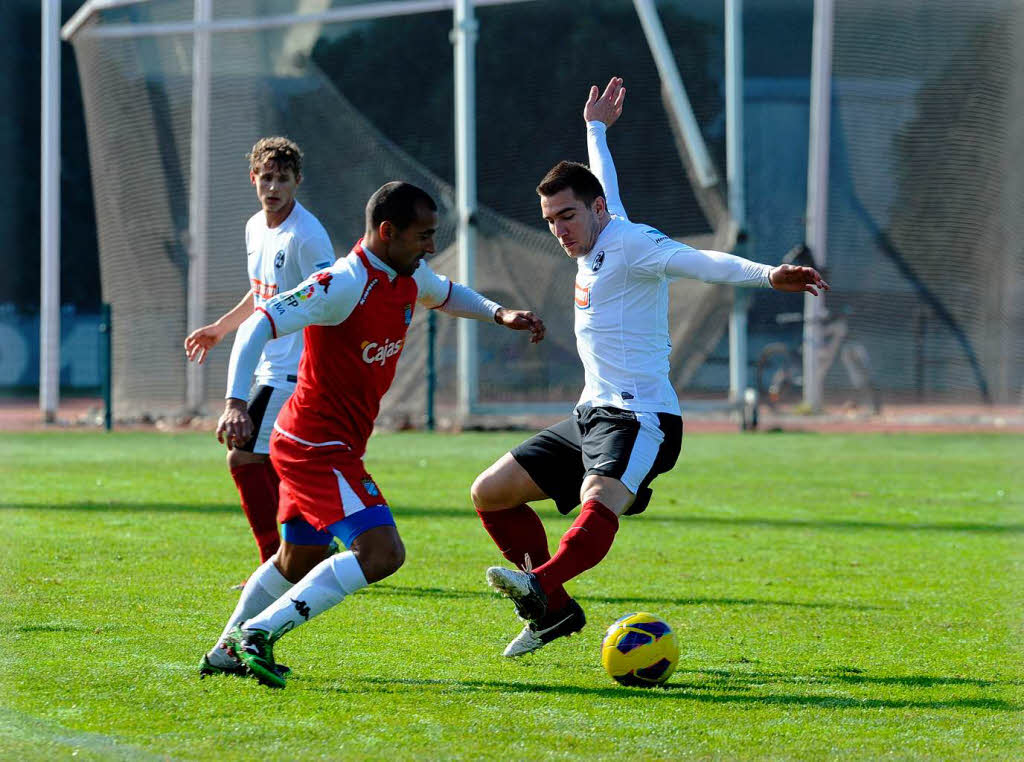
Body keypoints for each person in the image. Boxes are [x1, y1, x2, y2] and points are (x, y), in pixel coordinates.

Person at [472, 77, 829, 657]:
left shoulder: (635, 243)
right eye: (550, 220)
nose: (559, 230)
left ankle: (542, 585)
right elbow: (602, 180)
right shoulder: (597, 232)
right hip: (591, 414)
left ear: (596, 211)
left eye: (567, 216)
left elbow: (700, 261)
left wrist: (768, 275)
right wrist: (594, 130)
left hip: (643, 419)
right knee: (490, 493)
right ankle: (554, 613)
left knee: (598, 499)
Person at [199, 181, 546, 687]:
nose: (430, 246)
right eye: (422, 236)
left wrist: (498, 314)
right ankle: (256, 634)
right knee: (383, 552)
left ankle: (225, 649)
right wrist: (234, 403)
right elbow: (259, 324)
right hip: (315, 445)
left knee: (298, 558)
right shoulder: (342, 282)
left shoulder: (407, 276)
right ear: (387, 232)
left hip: (322, 443)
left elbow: (445, 293)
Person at [185, 137, 336, 577]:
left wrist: (322, 366)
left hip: (293, 370)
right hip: (271, 366)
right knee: (276, 463)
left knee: (243, 455)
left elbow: (328, 295)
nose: (273, 187)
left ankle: (276, 562)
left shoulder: (307, 236)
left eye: (282, 179)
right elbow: (262, 290)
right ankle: (304, 552)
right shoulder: (255, 227)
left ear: (297, 183)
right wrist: (221, 327)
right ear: (253, 179)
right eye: (266, 177)